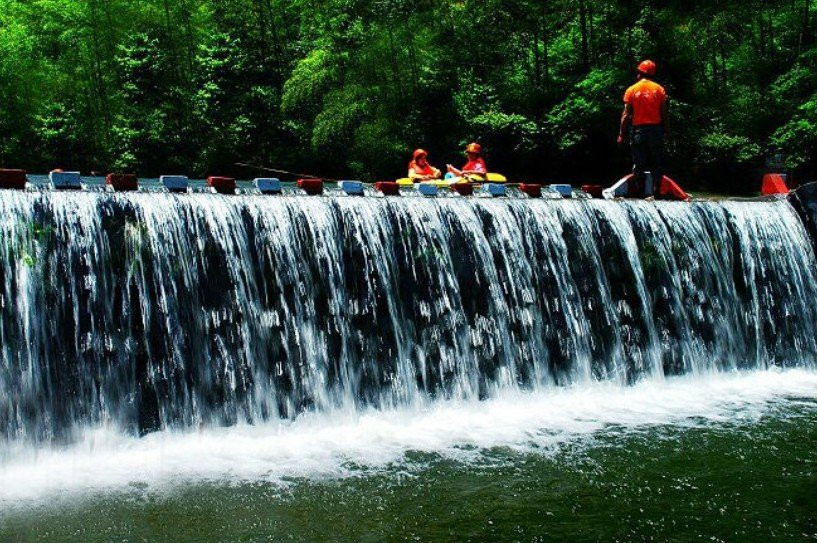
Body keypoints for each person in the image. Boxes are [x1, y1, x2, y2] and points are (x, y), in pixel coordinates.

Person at [617, 59, 668, 197]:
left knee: (639, 162)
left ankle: (640, 193)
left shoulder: (631, 90)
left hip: (639, 131)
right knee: (657, 162)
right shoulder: (659, 89)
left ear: (640, 73)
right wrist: (667, 130)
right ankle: (656, 193)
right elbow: (664, 113)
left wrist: (621, 134)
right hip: (656, 131)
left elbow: (626, 115)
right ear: (652, 74)